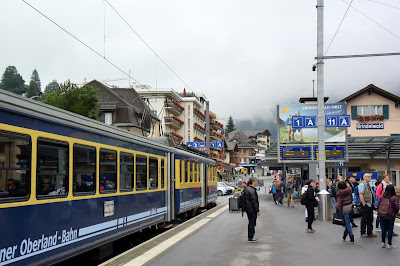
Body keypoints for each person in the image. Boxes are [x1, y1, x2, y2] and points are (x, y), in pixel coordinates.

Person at [377, 185, 399, 249]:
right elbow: (397, 207)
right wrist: (394, 212)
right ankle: (389, 244)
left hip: (382, 215)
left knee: (383, 229)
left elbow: (378, 205)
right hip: (391, 215)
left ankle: (383, 243)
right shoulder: (394, 198)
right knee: (390, 229)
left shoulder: (382, 197)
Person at [358, 173, 377, 238]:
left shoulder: (369, 185)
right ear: (365, 177)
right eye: (369, 177)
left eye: (370, 177)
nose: (370, 178)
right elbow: (361, 194)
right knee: (364, 218)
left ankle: (370, 232)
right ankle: (363, 232)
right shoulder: (362, 185)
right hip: (365, 204)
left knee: (370, 218)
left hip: (370, 204)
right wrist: (363, 203)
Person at [244, 177, 260, 243]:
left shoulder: (248, 189)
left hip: (248, 209)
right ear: (252, 182)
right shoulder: (252, 190)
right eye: (256, 181)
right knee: (252, 223)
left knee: (250, 222)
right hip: (252, 209)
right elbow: (254, 202)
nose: (257, 183)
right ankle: (251, 237)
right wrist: (257, 210)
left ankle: (250, 237)